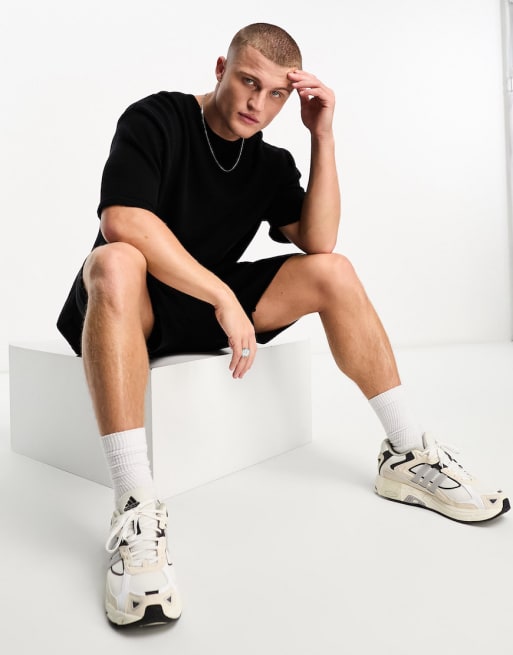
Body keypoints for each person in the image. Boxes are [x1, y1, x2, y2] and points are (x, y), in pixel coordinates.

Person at [56, 22, 510, 628]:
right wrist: (222, 295)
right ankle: (135, 507)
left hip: (205, 306)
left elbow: (319, 241)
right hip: (127, 306)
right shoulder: (156, 118)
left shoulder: (269, 162)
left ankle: (406, 452)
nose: (258, 103)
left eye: (276, 94)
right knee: (115, 260)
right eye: (248, 82)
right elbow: (123, 221)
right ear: (221, 69)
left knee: (333, 272)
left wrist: (322, 134)